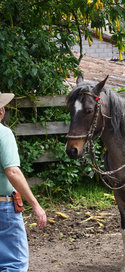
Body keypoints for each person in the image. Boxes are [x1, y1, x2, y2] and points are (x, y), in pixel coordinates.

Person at [0, 92, 47, 271]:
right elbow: (12, 171)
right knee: (14, 263)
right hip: (3, 208)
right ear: (1, 111)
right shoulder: (3, 134)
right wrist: (35, 204)